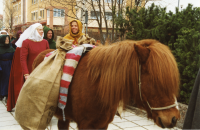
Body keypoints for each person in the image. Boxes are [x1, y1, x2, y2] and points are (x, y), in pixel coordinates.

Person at [7, 23, 49, 111]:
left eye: (42, 29)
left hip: (43, 71)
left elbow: (48, 56)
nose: (42, 31)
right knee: (31, 93)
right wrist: (26, 74)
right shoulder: (26, 42)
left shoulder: (45, 42)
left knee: (42, 92)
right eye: (39, 30)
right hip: (31, 71)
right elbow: (23, 59)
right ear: (34, 31)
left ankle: (41, 110)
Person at [0, 35, 15, 102]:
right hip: (2, 65)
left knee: (8, 80)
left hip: (10, 65)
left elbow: (14, 57)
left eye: (8, 39)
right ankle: (1, 94)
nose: (7, 40)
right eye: (5, 39)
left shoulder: (11, 48)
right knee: (2, 80)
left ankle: (7, 95)